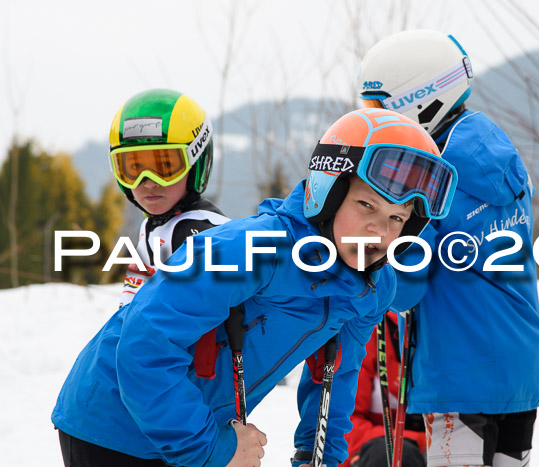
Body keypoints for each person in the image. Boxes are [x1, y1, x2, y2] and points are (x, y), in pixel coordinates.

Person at [51, 107, 458, 467]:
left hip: (187, 425)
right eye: (366, 206)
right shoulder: (248, 251)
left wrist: (321, 458)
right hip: (110, 424)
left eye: (397, 219)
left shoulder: (373, 286)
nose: (378, 231)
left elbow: (336, 378)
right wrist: (211, 450)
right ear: (327, 194)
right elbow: (144, 348)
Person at [356, 29, 539, 466]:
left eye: (380, 107)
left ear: (416, 100)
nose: (377, 121)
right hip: (519, 362)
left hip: (459, 369)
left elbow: (405, 288)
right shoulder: (497, 153)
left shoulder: (430, 175)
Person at [107, 88, 229, 310]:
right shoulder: (153, 226)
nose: (150, 182)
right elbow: (130, 308)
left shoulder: (199, 233)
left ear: (195, 164)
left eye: (165, 167)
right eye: (134, 168)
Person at [341, 313, 426, 467]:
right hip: (371, 450)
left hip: (439, 442)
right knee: (394, 454)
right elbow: (344, 425)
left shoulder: (452, 335)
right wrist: (418, 440)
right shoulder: (366, 334)